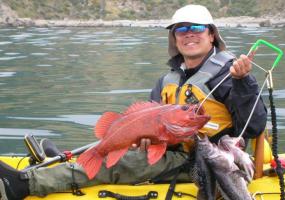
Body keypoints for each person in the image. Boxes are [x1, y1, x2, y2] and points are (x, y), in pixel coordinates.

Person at [0, 4, 267, 200]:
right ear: (174, 39)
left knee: (116, 163)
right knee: (117, 149)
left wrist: (245, 82)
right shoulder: (167, 80)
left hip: (208, 162)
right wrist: (144, 141)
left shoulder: (231, 74)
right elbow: (149, 129)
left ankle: (24, 184)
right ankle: (66, 161)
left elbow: (254, 127)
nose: (189, 34)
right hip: (170, 150)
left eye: (196, 28)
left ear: (211, 35)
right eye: (181, 29)